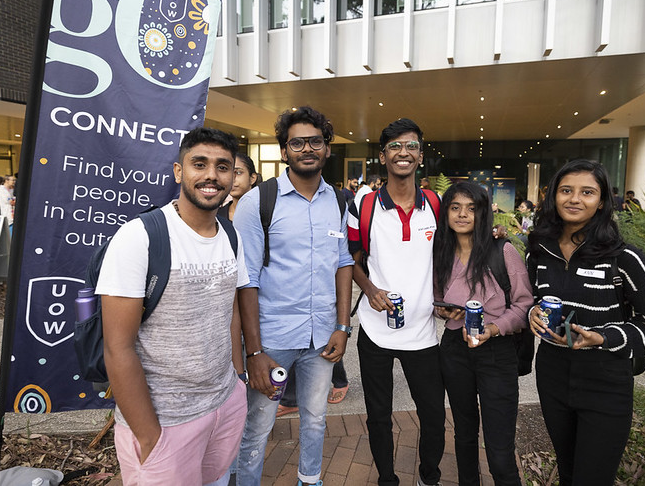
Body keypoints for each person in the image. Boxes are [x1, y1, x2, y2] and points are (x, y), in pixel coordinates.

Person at [97, 127, 249, 485]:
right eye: (200, 164)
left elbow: (229, 310)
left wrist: (237, 382)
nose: (212, 175)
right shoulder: (140, 237)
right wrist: (149, 435)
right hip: (166, 422)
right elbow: (117, 348)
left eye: (223, 166)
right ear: (179, 172)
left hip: (224, 405)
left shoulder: (230, 234)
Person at [526, 159, 645, 486]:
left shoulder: (625, 258)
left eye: (587, 192)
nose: (574, 199)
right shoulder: (538, 251)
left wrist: (603, 338)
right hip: (552, 372)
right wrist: (532, 313)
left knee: (593, 478)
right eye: (566, 190)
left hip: (606, 380)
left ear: (602, 201)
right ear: (553, 196)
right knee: (567, 470)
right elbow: (531, 299)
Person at [233, 106, 353, 486]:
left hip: (322, 337)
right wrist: (254, 352)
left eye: (315, 141)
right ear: (285, 150)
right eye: (297, 142)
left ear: (327, 149)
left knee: (315, 417)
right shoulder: (259, 201)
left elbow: (344, 263)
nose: (307, 148)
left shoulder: (338, 201)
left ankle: (310, 479)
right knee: (258, 425)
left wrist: (343, 326)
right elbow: (246, 280)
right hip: (273, 339)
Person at [347, 118, 445, 486]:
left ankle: (429, 477)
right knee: (378, 416)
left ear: (421, 155)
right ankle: (387, 479)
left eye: (411, 146)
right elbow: (350, 259)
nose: (403, 153)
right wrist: (369, 290)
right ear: (383, 155)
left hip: (423, 333)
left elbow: (456, 254)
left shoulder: (435, 204)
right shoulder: (365, 206)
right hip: (375, 332)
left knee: (434, 414)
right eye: (395, 147)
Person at [433, 182, 533, 486]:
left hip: (496, 352)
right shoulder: (441, 250)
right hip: (454, 349)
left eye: (471, 208)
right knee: (464, 436)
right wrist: (444, 311)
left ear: (483, 213)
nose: (463, 214)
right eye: (455, 207)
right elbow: (437, 298)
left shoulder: (502, 251)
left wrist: (494, 327)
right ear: (446, 212)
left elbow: (524, 304)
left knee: (500, 452)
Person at [218, 152, 259, 224]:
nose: (232, 178)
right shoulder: (217, 216)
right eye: (228, 172)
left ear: (252, 178)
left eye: (238, 173)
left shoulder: (265, 214)